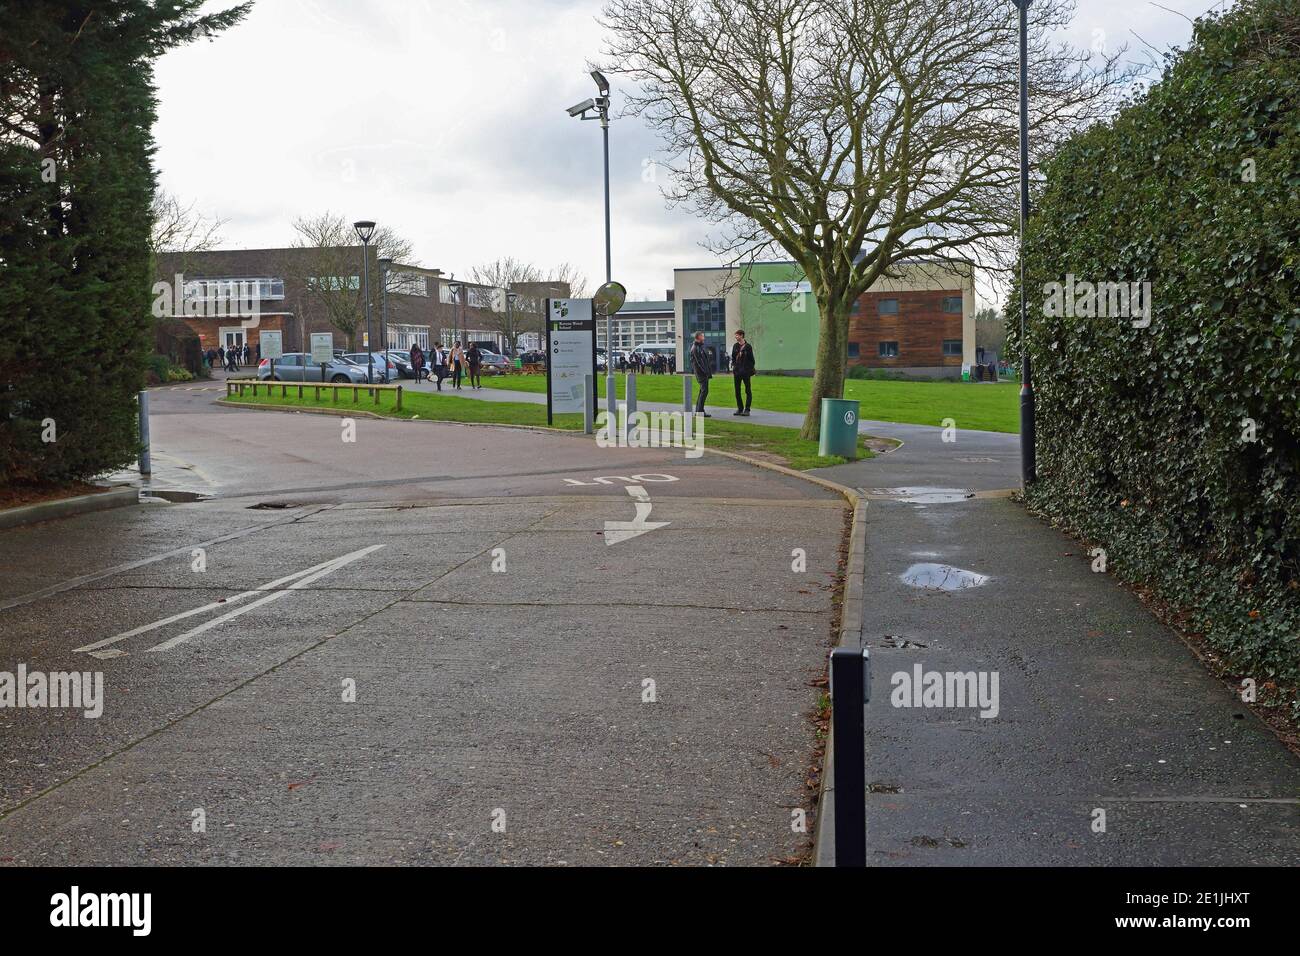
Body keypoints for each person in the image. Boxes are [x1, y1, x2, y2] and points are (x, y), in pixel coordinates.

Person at [731, 329, 755, 416]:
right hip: (737, 372)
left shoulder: (748, 347)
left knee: (747, 390)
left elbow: (752, 360)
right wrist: (734, 366)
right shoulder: (735, 346)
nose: (736, 337)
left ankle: (747, 409)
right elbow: (733, 358)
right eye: (735, 335)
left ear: (741, 335)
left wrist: (748, 370)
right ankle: (740, 408)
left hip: (745, 373)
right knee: (737, 391)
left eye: (737, 335)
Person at [689, 331, 713, 418]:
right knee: (704, 391)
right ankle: (700, 411)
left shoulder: (699, 347)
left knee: (702, 391)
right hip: (701, 373)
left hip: (702, 373)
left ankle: (700, 410)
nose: (704, 338)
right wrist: (705, 372)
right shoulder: (695, 348)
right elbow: (699, 362)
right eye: (703, 336)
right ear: (698, 337)